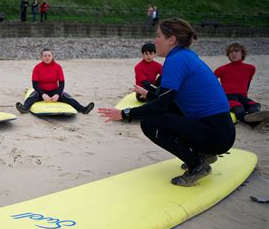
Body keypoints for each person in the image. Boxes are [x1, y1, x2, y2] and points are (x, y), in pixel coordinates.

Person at [98, 18, 235, 187]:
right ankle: (201, 154)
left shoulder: (176, 60)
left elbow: (162, 104)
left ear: (172, 40)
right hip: (221, 132)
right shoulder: (186, 56)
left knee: (149, 123)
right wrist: (147, 94)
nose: (155, 40)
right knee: (163, 112)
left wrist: (125, 114)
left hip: (216, 136)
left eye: (158, 36)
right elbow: (169, 101)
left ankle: (197, 166)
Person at [16, 48, 94, 114]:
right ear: (41, 57)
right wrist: (43, 94)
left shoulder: (58, 67)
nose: (47, 57)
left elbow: (62, 84)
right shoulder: (37, 67)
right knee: (33, 95)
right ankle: (24, 108)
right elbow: (35, 85)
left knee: (66, 96)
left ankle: (83, 109)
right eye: (45, 56)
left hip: (55, 92)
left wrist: (57, 94)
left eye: (49, 55)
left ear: (52, 56)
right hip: (40, 92)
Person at [214, 42, 269, 128]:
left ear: (242, 53)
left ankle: (258, 119)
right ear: (228, 54)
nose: (233, 53)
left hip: (242, 96)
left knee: (254, 105)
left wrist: (245, 96)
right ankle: (254, 123)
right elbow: (210, 82)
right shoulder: (221, 69)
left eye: (236, 51)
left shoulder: (250, 68)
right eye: (231, 52)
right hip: (228, 96)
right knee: (238, 108)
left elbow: (247, 84)